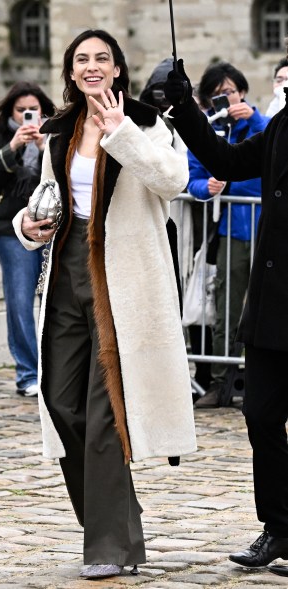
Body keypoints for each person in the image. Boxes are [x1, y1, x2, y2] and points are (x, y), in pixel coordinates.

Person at [12, 29, 197, 579]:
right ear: (70, 72)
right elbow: (44, 198)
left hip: (124, 280)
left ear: (117, 69)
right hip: (67, 272)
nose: (92, 67)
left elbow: (173, 180)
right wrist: (29, 224)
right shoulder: (58, 132)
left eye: (102, 59)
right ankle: (117, 516)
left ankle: (111, 546)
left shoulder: (146, 124)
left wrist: (121, 134)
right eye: (82, 60)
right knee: (59, 399)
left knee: (102, 412)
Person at [164, 46, 288, 575]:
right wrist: (186, 107)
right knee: (259, 416)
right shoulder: (283, 126)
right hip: (272, 306)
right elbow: (229, 162)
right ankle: (280, 528)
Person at [187, 62, 268, 408]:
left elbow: (275, 152)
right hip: (231, 229)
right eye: (218, 95)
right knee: (228, 306)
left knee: (268, 308)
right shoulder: (210, 132)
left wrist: (252, 118)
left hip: (266, 226)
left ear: (243, 92)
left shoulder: (262, 124)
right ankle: (222, 381)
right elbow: (191, 178)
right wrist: (207, 187)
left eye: (230, 92)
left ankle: (262, 383)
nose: (226, 99)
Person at [140, 59, 212, 401]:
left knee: (182, 291)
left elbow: (188, 170)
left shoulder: (183, 122)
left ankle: (192, 372)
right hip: (152, 222)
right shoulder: (140, 122)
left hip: (184, 223)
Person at [0, 82, 55, 397]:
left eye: (33, 109)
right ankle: (28, 373)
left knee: (53, 302)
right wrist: (12, 147)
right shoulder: (0, 136)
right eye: (21, 110)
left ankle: (54, 372)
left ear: (42, 110)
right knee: (19, 300)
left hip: (51, 225)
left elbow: (64, 176)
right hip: (9, 230)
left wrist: (42, 148)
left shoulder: (55, 134)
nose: (28, 115)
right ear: (11, 111)